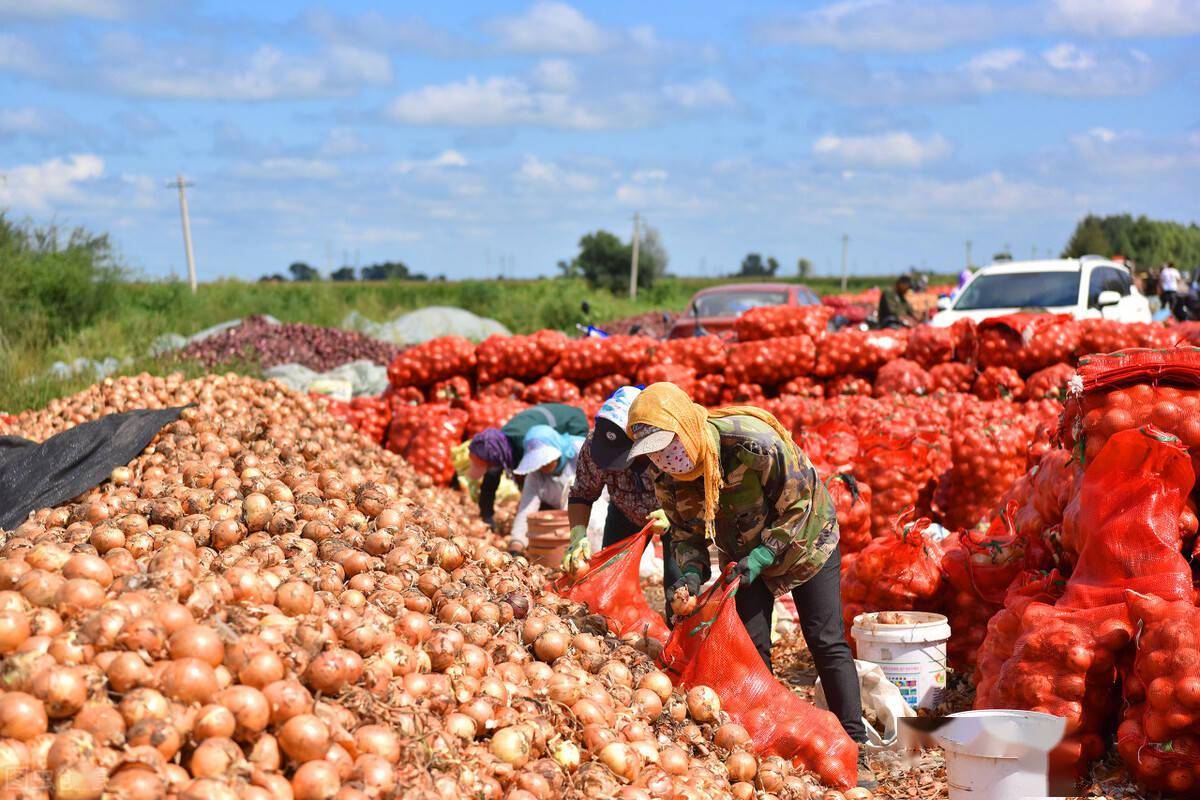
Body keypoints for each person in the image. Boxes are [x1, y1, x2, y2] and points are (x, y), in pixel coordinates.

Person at [626, 382, 874, 789]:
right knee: (752, 648)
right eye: (653, 452)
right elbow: (686, 535)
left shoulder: (750, 442)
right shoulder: (667, 478)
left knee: (824, 639)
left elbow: (801, 501)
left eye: (667, 445)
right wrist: (688, 577)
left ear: (686, 426)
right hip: (742, 553)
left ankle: (855, 744)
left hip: (806, 540)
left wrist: (764, 554)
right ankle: (775, 737)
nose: (663, 458)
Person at [562, 387, 682, 619]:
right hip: (625, 510)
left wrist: (672, 515)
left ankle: (676, 639)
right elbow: (582, 493)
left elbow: (698, 492)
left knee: (678, 588)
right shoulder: (593, 445)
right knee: (610, 578)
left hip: (677, 517)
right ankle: (614, 633)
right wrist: (577, 534)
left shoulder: (667, 444)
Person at [467, 403, 589, 529]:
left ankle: (562, 521)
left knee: (575, 478)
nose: (490, 468)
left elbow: (533, 479)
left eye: (489, 465)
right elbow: (491, 477)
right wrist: (486, 515)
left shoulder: (524, 442)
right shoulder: (500, 447)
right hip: (560, 418)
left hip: (573, 423)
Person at [509, 424, 585, 553]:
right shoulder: (535, 475)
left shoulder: (580, 452)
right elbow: (526, 509)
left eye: (546, 460)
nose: (542, 466)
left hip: (593, 514)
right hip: (562, 525)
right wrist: (517, 543)